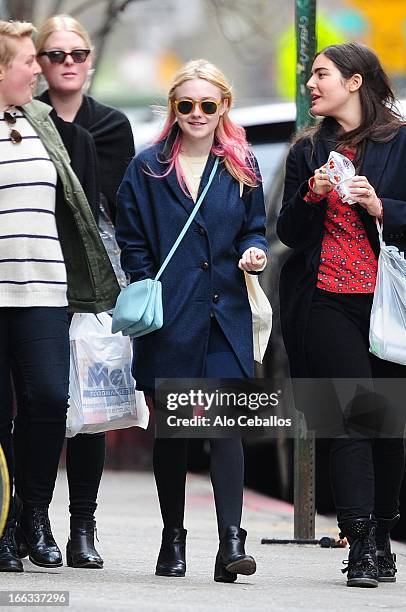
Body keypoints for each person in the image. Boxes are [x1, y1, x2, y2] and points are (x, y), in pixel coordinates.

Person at [115, 59, 267, 582]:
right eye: (187, 105)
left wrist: (253, 253)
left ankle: (231, 545)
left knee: (225, 427)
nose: (197, 114)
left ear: (224, 106)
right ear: (173, 110)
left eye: (208, 104)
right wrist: (144, 279)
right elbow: (131, 239)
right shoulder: (147, 167)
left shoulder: (241, 164)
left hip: (225, 314)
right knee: (175, 433)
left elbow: (254, 228)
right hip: (171, 317)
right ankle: (172, 538)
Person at [277, 42, 406, 588]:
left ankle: (381, 537)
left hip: (388, 304)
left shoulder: (400, 141)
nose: (311, 84)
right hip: (326, 300)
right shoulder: (309, 150)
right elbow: (287, 232)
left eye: (321, 75)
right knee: (351, 419)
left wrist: (383, 208)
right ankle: (357, 544)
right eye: (310, 76)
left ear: (355, 82)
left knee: (389, 425)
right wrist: (311, 195)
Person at [0, 20, 119, 573]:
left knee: (49, 399)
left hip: (46, 292)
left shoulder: (48, 127)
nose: (36, 71)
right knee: (1, 415)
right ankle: (4, 528)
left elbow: (84, 215)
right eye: (28, 61)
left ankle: (33, 512)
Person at [34, 13, 135, 570]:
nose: (67, 62)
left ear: (90, 60)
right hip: (37, 274)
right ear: (39, 64)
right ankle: (33, 519)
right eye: (55, 54)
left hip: (98, 279)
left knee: (93, 408)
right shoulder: (23, 120)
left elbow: (109, 205)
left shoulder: (110, 125)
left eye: (77, 53)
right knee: (43, 402)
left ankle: (83, 526)